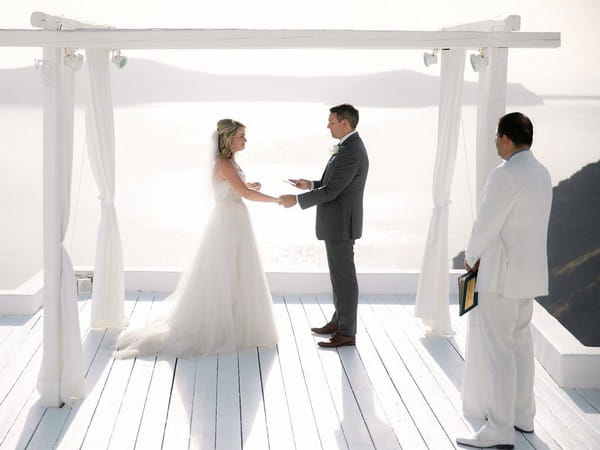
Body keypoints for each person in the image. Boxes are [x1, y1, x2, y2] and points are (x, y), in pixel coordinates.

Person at [114, 119, 279, 359]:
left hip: (234, 219)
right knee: (224, 273)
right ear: (229, 139)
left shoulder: (230, 162)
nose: (245, 140)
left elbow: (235, 187)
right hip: (228, 223)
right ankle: (220, 326)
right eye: (241, 136)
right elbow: (243, 193)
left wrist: (248, 184)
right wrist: (276, 200)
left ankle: (236, 324)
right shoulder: (223, 163)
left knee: (237, 272)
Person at [456, 112, 552, 449]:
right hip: (529, 277)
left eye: (497, 136)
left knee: (500, 353)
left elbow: (487, 222)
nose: (495, 142)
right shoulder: (542, 173)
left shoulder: (506, 174)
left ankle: (498, 429)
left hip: (501, 277)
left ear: (507, 139)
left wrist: (470, 256)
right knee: (521, 347)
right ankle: (523, 416)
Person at [280, 104, 369, 348]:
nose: (327, 126)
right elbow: (332, 183)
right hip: (337, 223)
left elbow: (331, 191)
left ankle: (347, 332)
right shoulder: (348, 147)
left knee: (345, 278)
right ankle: (339, 321)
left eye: (331, 121)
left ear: (345, 123)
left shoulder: (351, 151)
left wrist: (296, 201)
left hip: (341, 223)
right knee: (338, 276)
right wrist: (309, 184)